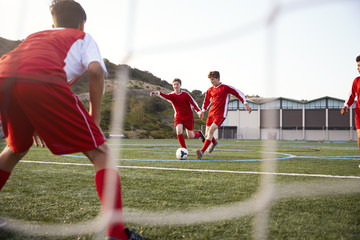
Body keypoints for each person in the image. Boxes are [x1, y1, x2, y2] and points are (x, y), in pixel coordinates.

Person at [0, 1, 150, 239]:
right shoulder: (82, 37)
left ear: (53, 24)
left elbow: (23, 70)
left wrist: (35, 117)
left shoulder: (35, 36)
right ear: (82, 24)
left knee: (15, 148)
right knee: (102, 154)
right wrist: (95, 117)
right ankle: (118, 235)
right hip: (41, 81)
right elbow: (95, 70)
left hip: (4, 77)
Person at [196, 71, 252, 160]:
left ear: (218, 79)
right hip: (211, 114)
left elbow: (238, 93)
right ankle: (214, 143)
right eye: (210, 80)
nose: (211, 82)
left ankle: (201, 152)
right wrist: (202, 111)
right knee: (207, 135)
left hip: (220, 115)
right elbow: (206, 101)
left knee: (210, 132)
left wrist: (245, 103)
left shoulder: (225, 88)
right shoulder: (210, 90)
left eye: (213, 80)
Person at [150, 78, 205, 150]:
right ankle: (184, 149)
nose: (176, 86)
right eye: (174, 84)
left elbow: (193, 103)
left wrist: (199, 112)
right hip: (178, 117)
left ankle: (200, 134)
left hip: (188, 117)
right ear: (173, 86)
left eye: (177, 84)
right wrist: (157, 93)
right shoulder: (172, 95)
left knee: (191, 136)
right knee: (179, 131)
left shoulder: (185, 94)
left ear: (180, 85)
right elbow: (166, 96)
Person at [341, 55, 360, 151]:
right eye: (358, 66)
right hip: (359, 114)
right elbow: (352, 96)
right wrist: (346, 106)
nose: (358, 68)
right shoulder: (357, 81)